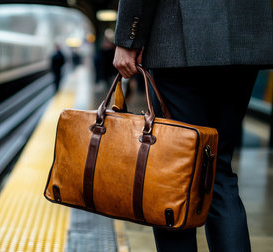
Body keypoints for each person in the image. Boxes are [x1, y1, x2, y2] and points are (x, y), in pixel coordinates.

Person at [113, 1, 273, 251]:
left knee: (174, 171)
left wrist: (128, 39)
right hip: (244, 39)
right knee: (218, 169)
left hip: (179, 42)